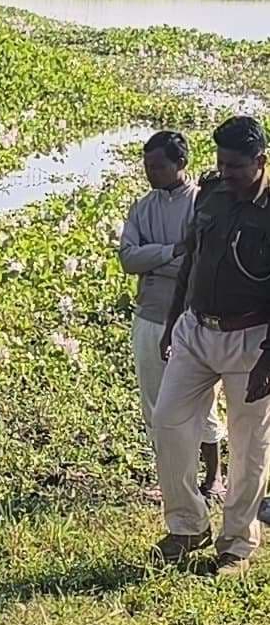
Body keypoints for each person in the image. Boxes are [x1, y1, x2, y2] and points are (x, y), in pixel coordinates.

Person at [154, 115, 270, 573]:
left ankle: (237, 543)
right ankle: (187, 525)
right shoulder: (211, 194)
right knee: (168, 421)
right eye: (221, 164)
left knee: (250, 445)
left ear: (261, 162)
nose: (228, 174)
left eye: (237, 166)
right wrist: (171, 322)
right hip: (196, 330)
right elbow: (191, 262)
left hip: (253, 339)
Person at [121, 130, 218, 500]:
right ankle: (172, 481)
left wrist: (157, 256)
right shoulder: (142, 207)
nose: (151, 173)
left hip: (192, 316)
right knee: (155, 402)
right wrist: (174, 251)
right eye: (147, 166)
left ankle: (213, 476)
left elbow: (197, 263)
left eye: (158, 166)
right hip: (149, 313)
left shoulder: (201, 204)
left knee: (200, 399)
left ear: (181, 164)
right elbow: (129, 259)